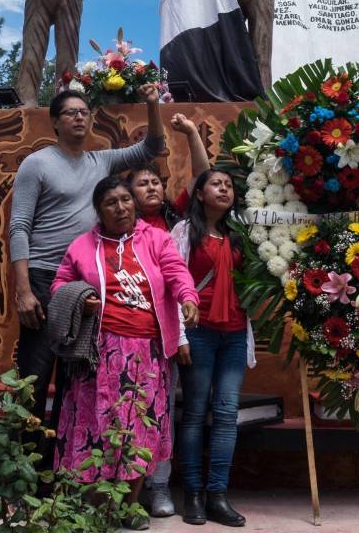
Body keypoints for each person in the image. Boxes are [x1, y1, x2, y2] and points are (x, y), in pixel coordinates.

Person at [8, 85, 166, 450]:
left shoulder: (102, 161)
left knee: (75, 378)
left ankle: (63, 468)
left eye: (84, 112)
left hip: (89, 281)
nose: (79, 117)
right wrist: (24, 289)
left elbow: (153, 147)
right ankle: (24, 473)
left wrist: (153, 104)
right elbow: (19, 226)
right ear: (55, 123)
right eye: (70, 113)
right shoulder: (38, 163)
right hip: (47, 277)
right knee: (35, 376)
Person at [51, 176, 199, 531]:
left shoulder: (157, 239)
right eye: (111, 203)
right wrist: (79, 298)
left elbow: (177, 272)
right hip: (97, 353)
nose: (121, 208)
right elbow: (59, 283)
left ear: (134, 203)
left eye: (125, 200)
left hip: (146, 354)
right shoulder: (83, 246)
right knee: (96, 429)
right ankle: (96, 504)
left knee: (138, 430)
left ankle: (128, 506)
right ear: (99, 211)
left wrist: (188, 298)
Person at [134, 114, 212, 518]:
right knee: (130, 408)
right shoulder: (119, 225)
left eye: (155, 182)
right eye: (141, 183)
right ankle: (126, 485)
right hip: (127, 332)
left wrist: (192, 134)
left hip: (169, 331)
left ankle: (160, 486)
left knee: (160, 408)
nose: (151, 187)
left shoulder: (174, 221)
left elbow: (203, 177)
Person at [169, 169, 255, 528]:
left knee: (226, 412)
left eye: (229, 185)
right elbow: (171, 283)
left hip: (234, 333)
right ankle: (192, 493)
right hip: (198, 331)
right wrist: (181, 338)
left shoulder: (242, 235)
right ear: (200, 194)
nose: (224, 189)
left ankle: (218, 495)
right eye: (216, 184)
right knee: (194, 413)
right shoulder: (184, 232)